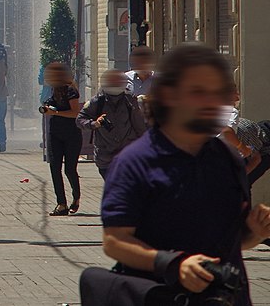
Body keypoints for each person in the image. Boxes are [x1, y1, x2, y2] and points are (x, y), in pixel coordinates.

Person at [89, 44, 270, 306]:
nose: (211, 101)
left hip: (226, 296)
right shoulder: (135, 162)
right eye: (198, 92)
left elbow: (233, 239)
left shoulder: (226, 158)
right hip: (163, 294)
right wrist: (174, 264)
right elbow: (115, 241)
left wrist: (255, 231)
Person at [76, 69, 146, 181]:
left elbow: (139, 125)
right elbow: (80, 120)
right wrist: (94, 123)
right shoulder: (97, 102)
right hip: (105, 157)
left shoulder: (129, 100)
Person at [40, 61, 82, 216]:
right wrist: (48, 109)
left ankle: (76, 198)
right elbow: (50, 105)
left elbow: (74, 113)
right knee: (54, 167)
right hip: (55, 134)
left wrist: (56, 113)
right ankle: (61, 203)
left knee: (70, 169)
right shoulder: (53, 90)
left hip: (71, 134)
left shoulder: (71, 90)